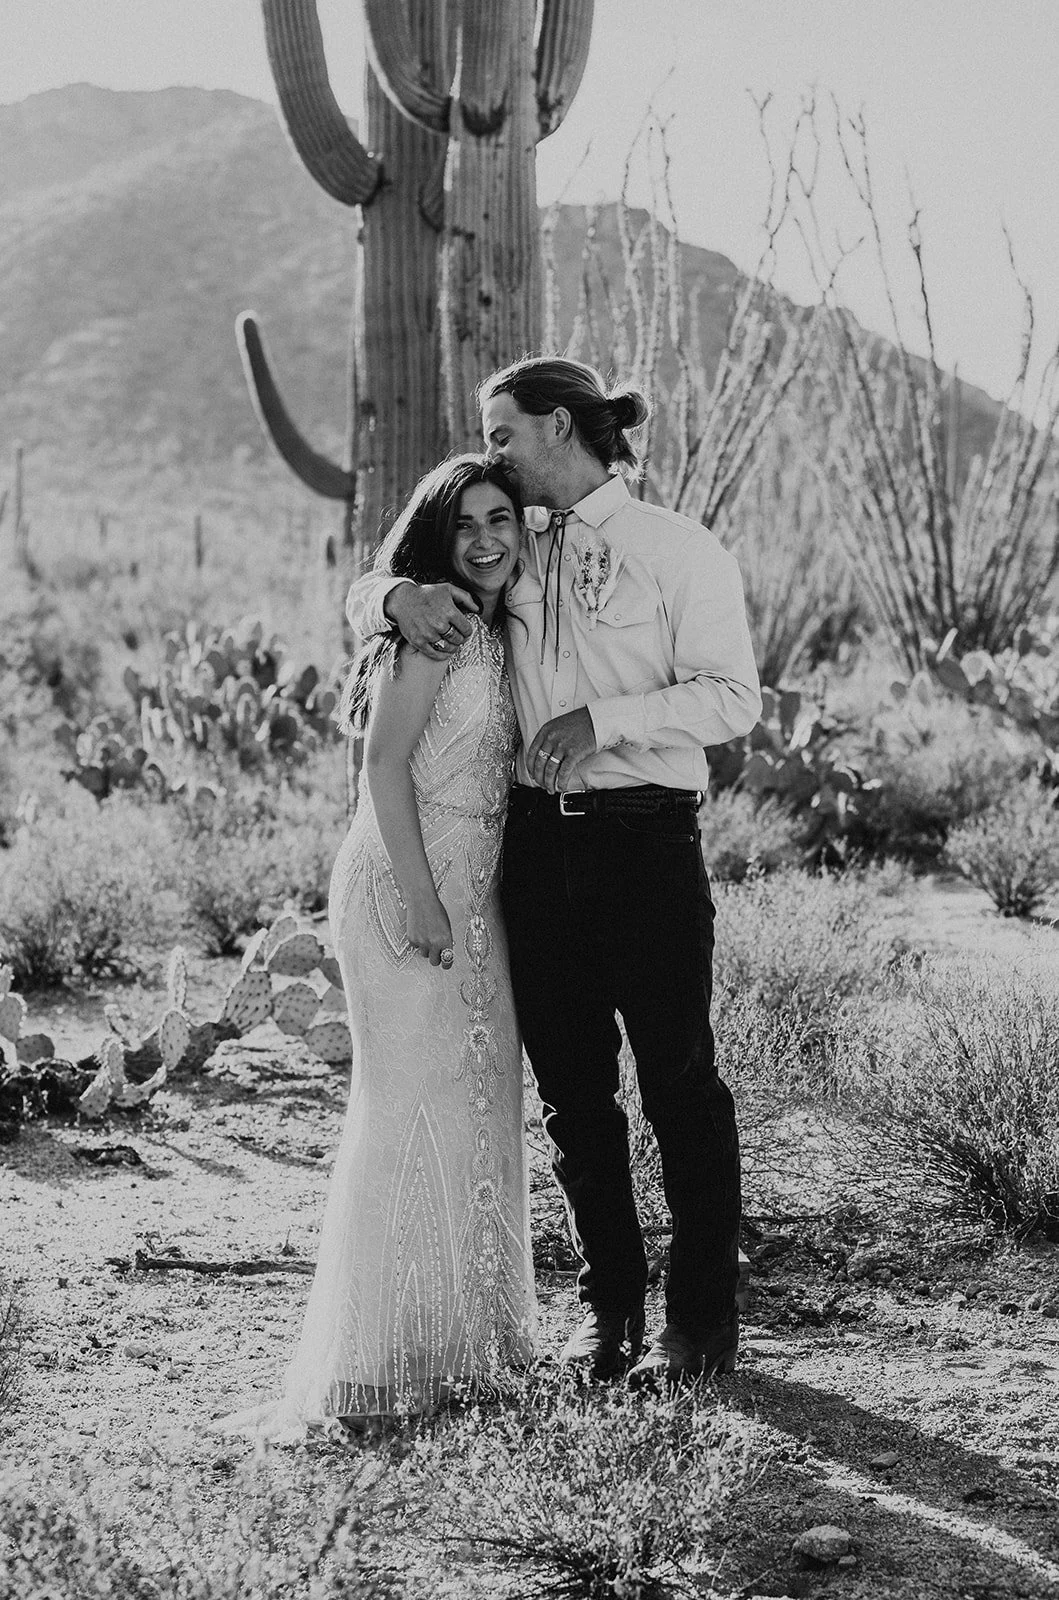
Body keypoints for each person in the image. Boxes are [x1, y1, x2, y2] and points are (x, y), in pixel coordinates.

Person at [347, 356, 762, 1389]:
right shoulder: (510, 546)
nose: (490, 453)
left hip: (645, 843)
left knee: (678, 1085)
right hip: (531, 854)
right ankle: (606, 1313)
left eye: (501, 433)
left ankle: (700, 1322)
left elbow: (731, 698)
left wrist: (602, 723)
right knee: (574, 1099)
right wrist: (389, 595)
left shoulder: (677, 550)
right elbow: (395, 569)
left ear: (559, 428)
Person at [218, 455, 537, 1438]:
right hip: (409, 880)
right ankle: (370, 1366)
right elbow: (381, 764)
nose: (485, 540)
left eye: (500, 519)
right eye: (465, 526)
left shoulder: (492, 620)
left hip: (475, 888)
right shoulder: (435, 624)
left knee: (480, 1100)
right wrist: (421, 897)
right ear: (436, 543)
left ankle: (463, 1348)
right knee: (405, 1106)